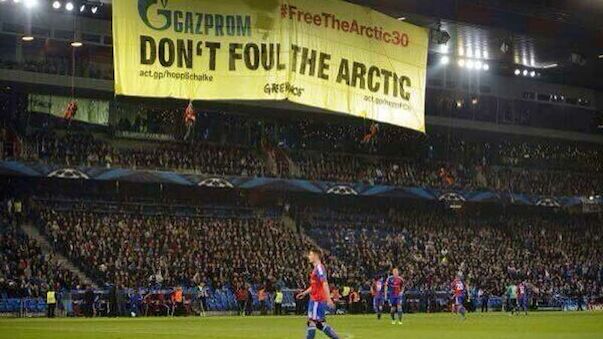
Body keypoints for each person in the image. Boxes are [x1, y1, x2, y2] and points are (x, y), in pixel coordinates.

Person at [296, 248, 340, 339]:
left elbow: (324, 283)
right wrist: (304, 293)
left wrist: (328, 299)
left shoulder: (319, 267)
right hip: (314, 299)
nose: (309, 257)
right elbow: (314, 286)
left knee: (312, 322)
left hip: (318, 300)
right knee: (319, 324)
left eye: (310, 255)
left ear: (315, 256)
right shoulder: (316, 268)